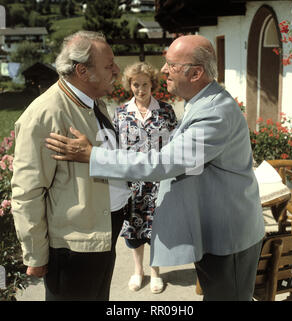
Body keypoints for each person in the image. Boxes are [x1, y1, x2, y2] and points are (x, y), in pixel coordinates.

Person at [45, 35, 265, 301]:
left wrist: (93, 156)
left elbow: (162, 163)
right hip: (215, 232)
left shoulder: (214, 113)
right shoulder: (202, 102)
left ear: (195, 73)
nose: (163, 70)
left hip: (228, 238)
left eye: (171, 65)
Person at [11, 30, 132, 301]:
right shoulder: (45, 114)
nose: (116, 69)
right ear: (82, 71)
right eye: (108, 64)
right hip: (73, 248)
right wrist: (35, 253)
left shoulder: (93, 103)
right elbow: (27, 192)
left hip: (101, 233)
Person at [113, 62, 177, 293]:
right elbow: (115, 149)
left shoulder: (166, 110)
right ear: (129, 85)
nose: (140, 89)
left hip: (159, 182)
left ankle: (156, 271)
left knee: (158, 229)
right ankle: (138, 271)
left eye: (145, 84)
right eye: (135, 84)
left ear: (153, 85)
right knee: (134, 230)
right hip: (132, 184)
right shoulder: (120, 113)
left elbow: (176, 145)